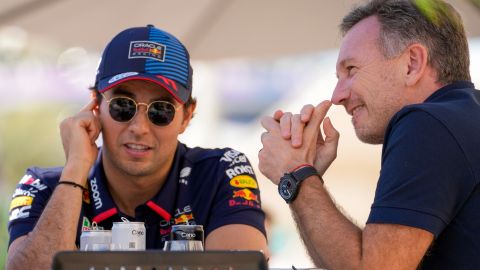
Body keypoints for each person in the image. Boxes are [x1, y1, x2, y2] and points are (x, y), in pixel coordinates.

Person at [7, 25, 268, 269]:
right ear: (96, 106)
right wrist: (74, 173)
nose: (139, 127)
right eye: (123, 106)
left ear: (187, 116)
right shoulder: (42, 185)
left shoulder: (220, 172)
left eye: (161, 111)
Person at [259, 0, 479, 269]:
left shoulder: (428, 124)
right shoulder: (462, 120)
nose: (337, 96)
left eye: (351, 70)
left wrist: (297, 174)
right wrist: (304, 181)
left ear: (412, 63)